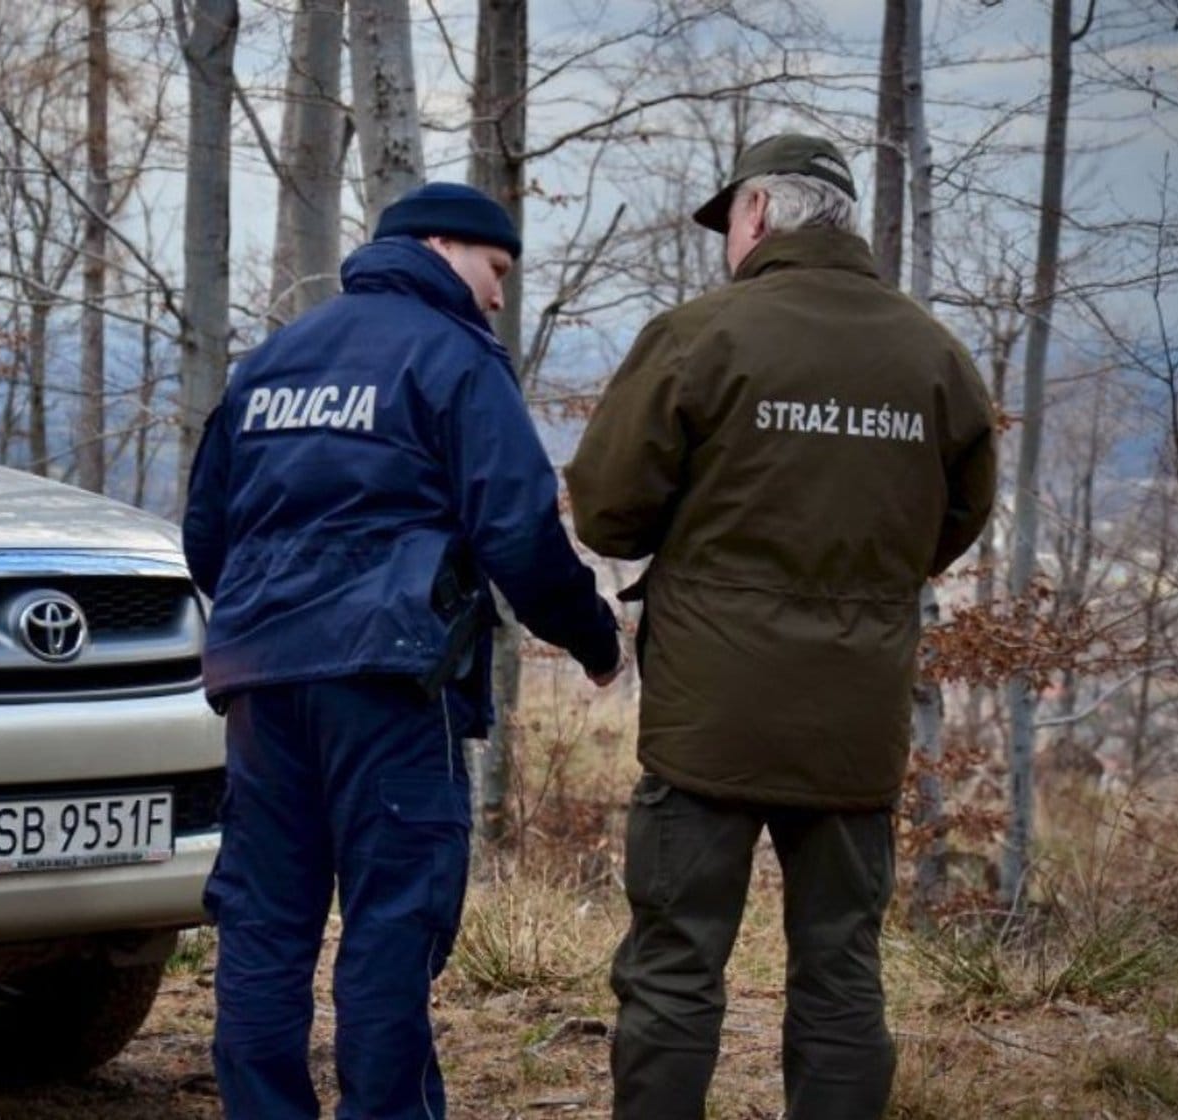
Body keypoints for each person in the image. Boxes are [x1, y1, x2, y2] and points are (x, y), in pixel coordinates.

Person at [565, 133, 997, 1120]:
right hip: (853, 715)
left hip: (710, 714)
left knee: (676, 962)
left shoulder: (699, 335)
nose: (729, 243)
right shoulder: (933, 355)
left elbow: (607, 509)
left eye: (732, 224)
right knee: (841, 967)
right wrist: (863, 579)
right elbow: (958, 517)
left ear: (758, 214)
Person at [183, 181, 624, 1119]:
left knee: (265, 923)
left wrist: (274, 622)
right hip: (387, 679)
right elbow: (518, 531)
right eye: (495, 270)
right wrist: (593, 638)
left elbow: (203, 538)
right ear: (439, 246)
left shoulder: (271, 360)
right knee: (393, 921)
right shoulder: (453, 355)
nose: (500, 296)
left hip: (261, 681)